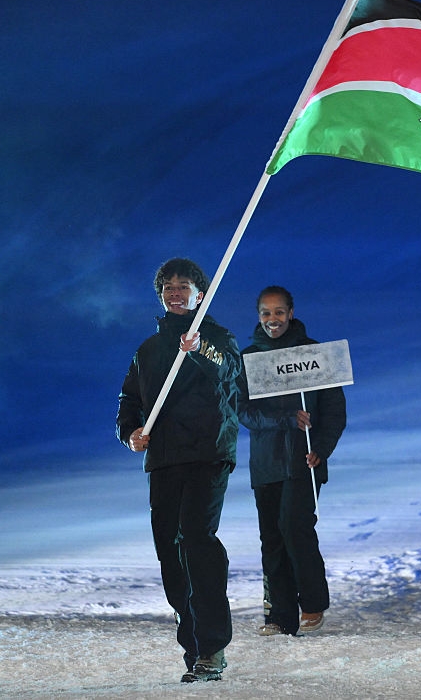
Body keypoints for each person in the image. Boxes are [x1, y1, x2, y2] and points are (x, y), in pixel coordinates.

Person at [116, 257, 241, 682]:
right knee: (171, 551)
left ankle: (213, 649)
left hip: (207, 454)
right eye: (167, 287)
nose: (174, 292)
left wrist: (199, 348)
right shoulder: (148, 351)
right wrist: (131, 431)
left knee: (195, 538)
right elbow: (128, 402)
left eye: (182, 286)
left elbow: (230, 378)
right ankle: (192, 643)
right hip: (165, 459)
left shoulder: (219, 338)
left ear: (200, 294)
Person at [237, 286, 347, 637]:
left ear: (291, 312)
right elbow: (242, 411)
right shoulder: (249, 359)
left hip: (305, 460)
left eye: (279, 312)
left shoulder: (314, 354)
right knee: (272, 538)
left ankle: (312, 603)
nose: (273, 319)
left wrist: (323, 448)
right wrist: (283, 419)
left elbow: (334, 411)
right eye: (266, 313)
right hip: (266, 463)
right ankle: (280, 616)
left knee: (294, 528)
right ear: (258, 316)